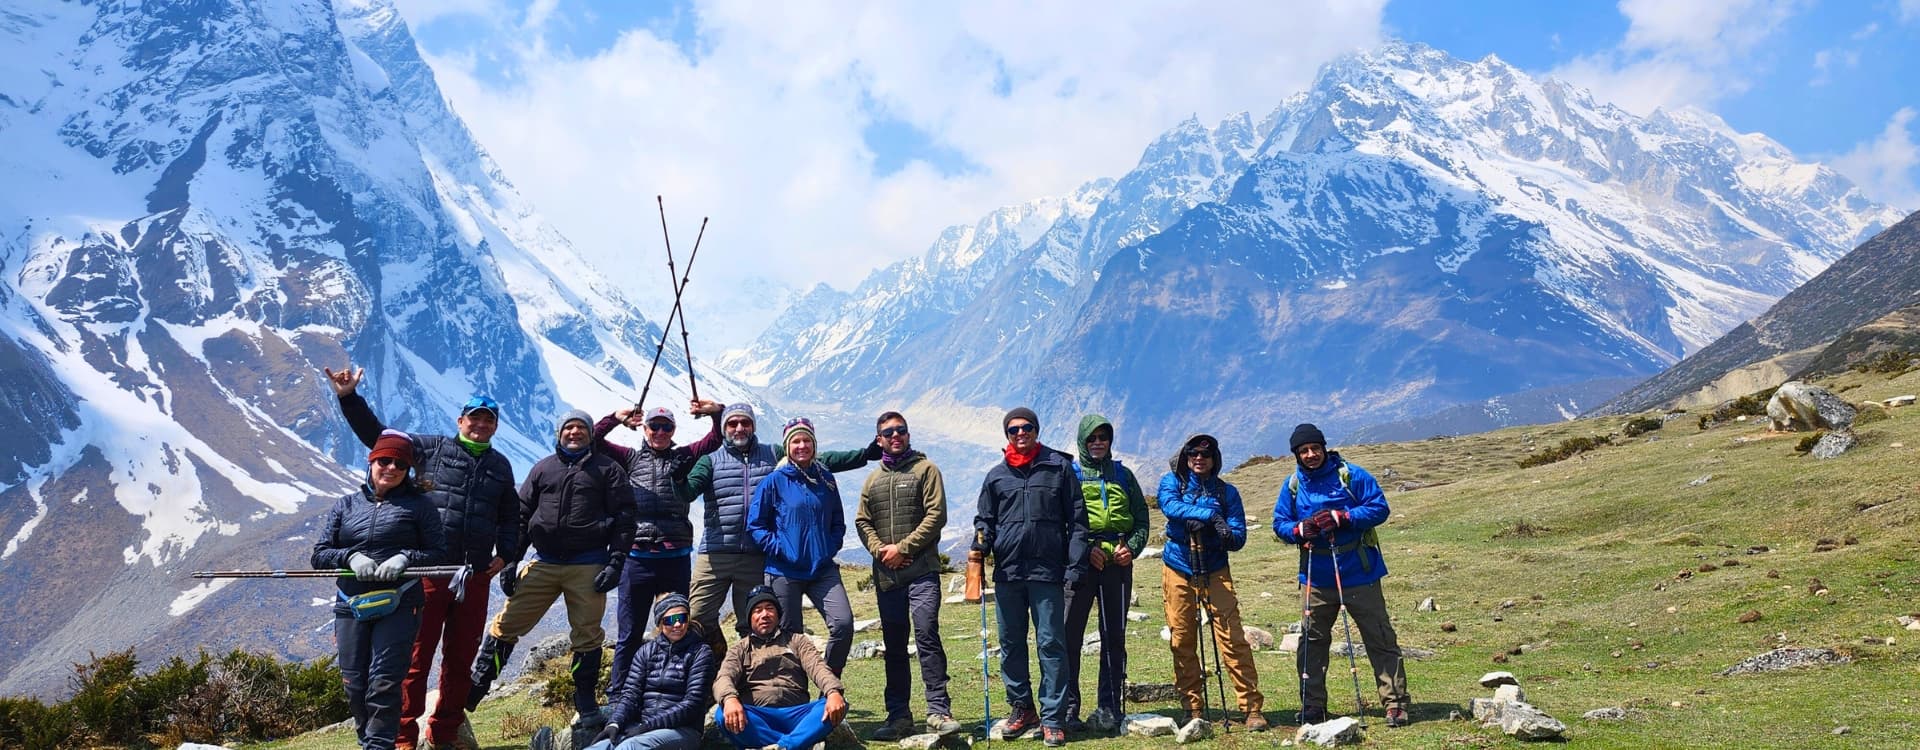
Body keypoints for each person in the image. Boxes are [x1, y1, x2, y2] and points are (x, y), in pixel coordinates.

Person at [327, 364, 519, 750]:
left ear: (495, 427)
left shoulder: (501, 466)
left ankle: (444, 732)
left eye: (489, 420)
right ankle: (401, 736)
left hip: (473, 576)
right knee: (414, 659)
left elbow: (510, 516)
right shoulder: (430, 449)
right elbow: (381, 439)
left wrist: (507, 554)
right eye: (475, 418)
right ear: (460, 420)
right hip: (428, 572)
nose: (481, 425)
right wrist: (349, 398)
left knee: (461, 659)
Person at [468, 410, 637, 733]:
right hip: (543, 561)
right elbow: (521, 515)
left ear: (590, 434)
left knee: (587, 635)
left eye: (581, 428)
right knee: (506, 623)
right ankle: (477, 686)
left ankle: (585, 701)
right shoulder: (543, 468)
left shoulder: (608, 470)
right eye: (568, 428)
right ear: (559, 433)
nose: (574, 433)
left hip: (588, 564)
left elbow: (625, 518)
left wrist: (615, 562)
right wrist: (511, 558)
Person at [685, 404, 877, 652]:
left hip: (756, 555)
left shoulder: (773, 454)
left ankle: (752, 683)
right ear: (724, 429)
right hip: (716, 552)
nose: (740, 428)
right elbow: (688, 491)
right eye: (732, 424)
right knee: (698, 616)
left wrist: (863, 455)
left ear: (753, 426)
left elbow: (817, 458)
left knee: (753, 624)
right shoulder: (710, 461)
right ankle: (717, 667)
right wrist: (678, 478)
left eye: (745, 422)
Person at [312, 430, 448, 750]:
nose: (391, 468)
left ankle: (379, 745)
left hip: (400, 602)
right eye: (384, 460)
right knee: (354, 683)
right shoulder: (345, 506)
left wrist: (405, 558)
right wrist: (350, 556)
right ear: (371, 461)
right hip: (350, 603)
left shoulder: (420, 507)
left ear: (408, 470)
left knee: (385, 681)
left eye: (400, 464)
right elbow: (319, 554)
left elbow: (439, 553)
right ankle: (366, 741)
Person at [1270, 424, 1410, 728]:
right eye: (1303, 451)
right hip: (1316, 576)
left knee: (1379, 637)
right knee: (1312, 641)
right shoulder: (1293, 484)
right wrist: (1299, 530)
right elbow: (1280, 523)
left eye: (1314, 448)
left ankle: (1395, 704)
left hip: (1359, 572)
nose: (1310, 455)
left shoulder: (1352, 475)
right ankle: (1313, 707)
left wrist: (1343, 517)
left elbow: (1379, 509)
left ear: (1324, 447)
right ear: (1296, 454)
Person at [590, 400, 725, 700]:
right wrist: (615, 416)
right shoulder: (629, 458)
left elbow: (716, 439)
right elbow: (593, 441)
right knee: (630, 632)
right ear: (645, 428)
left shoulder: (684, 457)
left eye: (667, 427)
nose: (660, 432)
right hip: (636, 558)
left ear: (674, 430)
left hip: (675, 557)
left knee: (678, 628)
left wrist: (716, 412)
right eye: (655, 426)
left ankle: (677, 691)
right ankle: (618, 697)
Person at [973, 407, 1088, 748]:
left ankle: (1053, 718)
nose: (1020, 433)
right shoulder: (996, 476)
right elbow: (985, 520)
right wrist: (980, 543)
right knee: (1010, 645)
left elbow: (1078, 522)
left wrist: (1075, 565)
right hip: (1008, 573)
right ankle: (1022, 709)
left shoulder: (1059, 468)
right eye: (1013, 430)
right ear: (1006, 435)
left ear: (1037, 430)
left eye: (1026, 428)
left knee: (1051, 644)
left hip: (1047, 572)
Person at [852, 411, 958, 740]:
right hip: (887, 577)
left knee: (926, 633)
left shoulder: (926, 470)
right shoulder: (872, 480)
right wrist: (880, 550)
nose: (895, 436)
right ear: (879, 439)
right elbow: (862, 521)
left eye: (901, 430)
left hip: (921, 570)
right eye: (888, 432)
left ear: (908, 435)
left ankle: (938, 711)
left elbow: (936, 515)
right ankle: (899, 716)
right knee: (894, 645)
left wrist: (904, 548)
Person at [1156, 433, 1267, 731]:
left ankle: (1251, 708)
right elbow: (1170, 507)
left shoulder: (1226, 492)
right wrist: (1210, 516)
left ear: (1214, 459)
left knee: (1232, 638)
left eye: (1206, 454)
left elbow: (1238, 536)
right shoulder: (1172, 483)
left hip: (1216, 567)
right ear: (1185, 456)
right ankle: (1192, 707)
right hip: (1179, 566)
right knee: (1182, 638)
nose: (1199, 458)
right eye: (1193, 453)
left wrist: (1222, 532)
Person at [1061, 415, 1150, 734]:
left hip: (1118, 565)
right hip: (1080, 566)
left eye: (1104, 437)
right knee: (1069, 636)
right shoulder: (1069, 475)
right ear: (1083, 441)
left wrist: (1132, 549)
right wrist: (1085, 550)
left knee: (1115, 636)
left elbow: (1141, 519)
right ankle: (1068, 708)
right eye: (1092, 438)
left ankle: (1109, 706)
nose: (1098, 443)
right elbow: (1061, 523)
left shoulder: (1124, 475)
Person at [747, 417, 856, 673]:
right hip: (784, 571)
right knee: (789, 636)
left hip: (822, 569)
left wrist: (829, 548)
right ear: (787, 446)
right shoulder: (774, 481)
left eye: (807, 440)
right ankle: (795, 697)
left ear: (814, 444)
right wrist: (780, 548)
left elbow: (838, 522)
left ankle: (829, 689)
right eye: (796, 441)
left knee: (843, 623)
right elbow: (755, 524)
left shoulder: (826, 479)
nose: (802, 445)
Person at [711, 586, 850, 750]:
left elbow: (818, 667)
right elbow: (723, 678)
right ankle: (797, 743)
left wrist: (833, 691)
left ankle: (784, 746)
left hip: (796, 715)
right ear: (750, 618)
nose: (764, 615)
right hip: (758, 718)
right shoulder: (740, 649)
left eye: (770, 609)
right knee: (722, 715)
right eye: (758, 610)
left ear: (778, 614)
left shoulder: (797, 641)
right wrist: (729, 699)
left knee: (832, 705)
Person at [586, 594, 712, 750]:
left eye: (682, 617)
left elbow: (692, 704)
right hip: (641, 727)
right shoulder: (645, 652)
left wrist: (647, 726)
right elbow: (630, 694)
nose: (678, 624)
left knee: (630, 747)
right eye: (670, 620)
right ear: (659, 623)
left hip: (682, 730)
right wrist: (614, 723)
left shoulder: (701, 652)